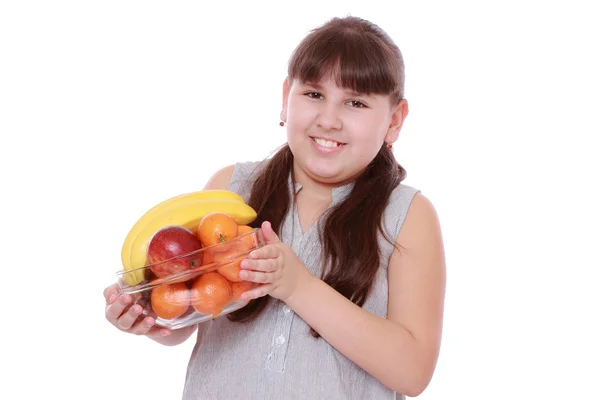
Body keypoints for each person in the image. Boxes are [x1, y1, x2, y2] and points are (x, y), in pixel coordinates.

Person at [104, 15, 446, 399]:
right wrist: (152, 316)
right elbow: (196, 308)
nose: (329, 120)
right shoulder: (229, 194)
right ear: (286, 98)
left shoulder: (408, 217)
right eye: (314, 94)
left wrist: (297, 286)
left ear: (395, 121)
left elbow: (413, 372)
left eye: (355, 102)